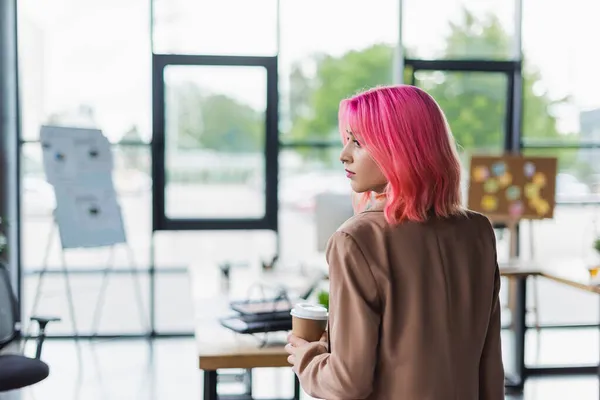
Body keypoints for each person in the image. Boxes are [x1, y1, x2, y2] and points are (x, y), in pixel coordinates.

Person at [285, 85, 504, 399]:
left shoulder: (355, 239)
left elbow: (349, 382)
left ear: (400, 148)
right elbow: (490, 366)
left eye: (357, 142)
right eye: (346, 140)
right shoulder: (479, 232)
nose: (344, 154)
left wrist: (306, 357)